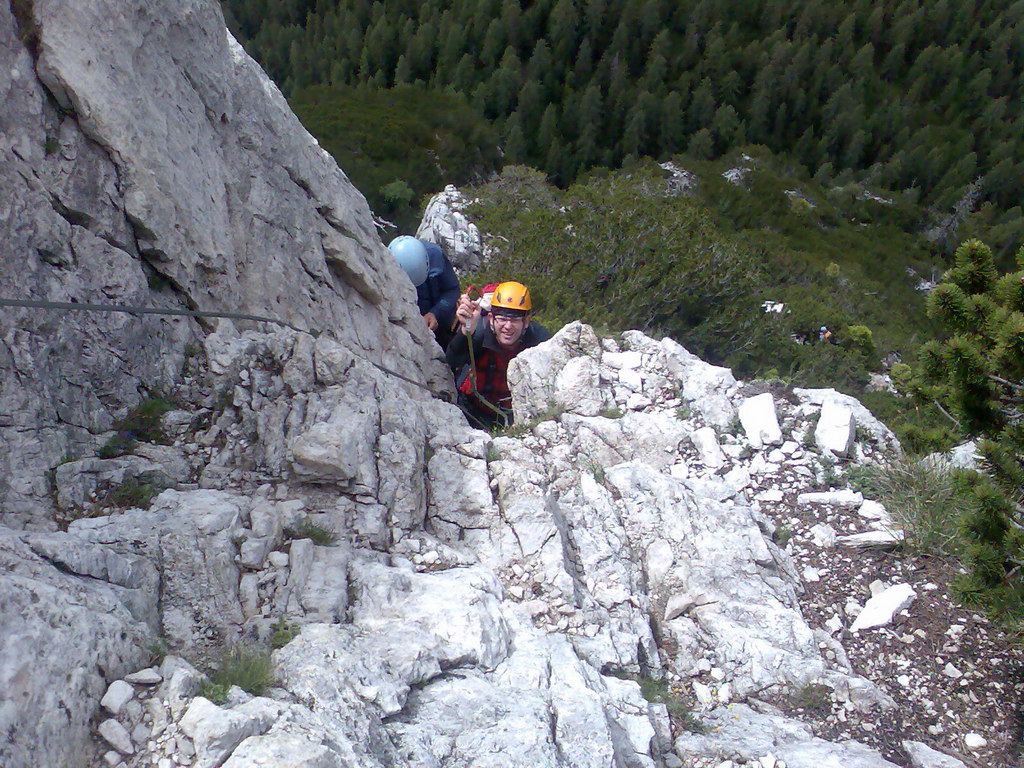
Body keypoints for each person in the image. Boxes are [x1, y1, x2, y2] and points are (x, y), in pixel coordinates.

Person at [446, 281, 550, 430]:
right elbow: (451, 360)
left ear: (526, 321)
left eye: (514, 319)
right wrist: (466, 332)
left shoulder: (538, 340)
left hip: (513, 416)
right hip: (470, 410)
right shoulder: (479, 333)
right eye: (502, 318)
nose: (507, 326)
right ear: (491, 319)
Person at [388, 236, 460, 348]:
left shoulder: (435, 256)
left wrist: (436, 312)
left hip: (444, 321)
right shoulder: (390, 271)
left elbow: (452, 289)